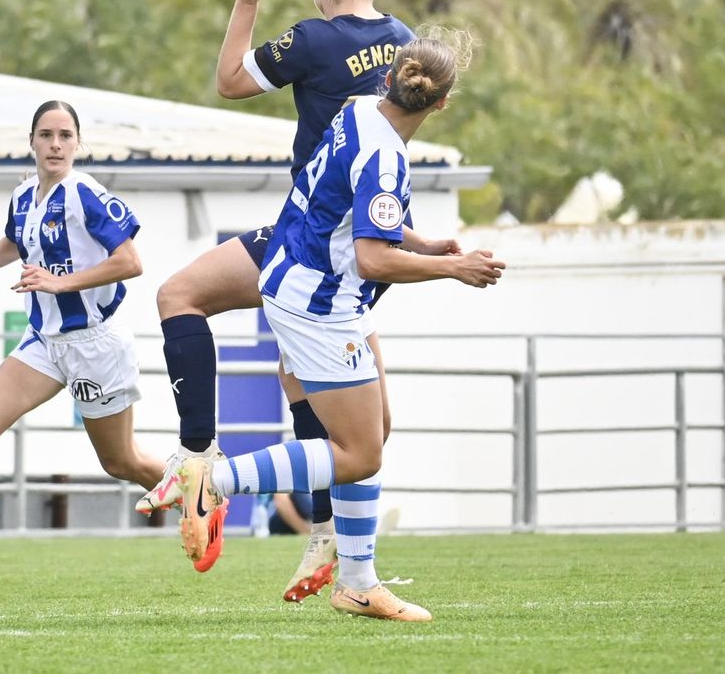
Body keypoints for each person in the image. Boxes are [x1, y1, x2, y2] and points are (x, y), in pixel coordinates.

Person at [154, 33, 505, 622]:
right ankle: (216, 481)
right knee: (359, 452)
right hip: (320, 302)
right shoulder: (387, 153)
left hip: (298, 277)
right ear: (441, 103)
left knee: (373, 433)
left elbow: (337, 206)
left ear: (389, 77)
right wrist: (454, 267)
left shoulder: (358, 111)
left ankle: (357, 581)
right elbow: (372, 259)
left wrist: (421, 242)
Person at [143, 0, 428, 598]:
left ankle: (202, 458)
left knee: (179, 295)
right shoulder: (404, 40)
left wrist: (246, 1)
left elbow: (232, 81)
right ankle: (332, 539)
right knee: (343, 408)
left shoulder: (314, 37)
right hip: (378, 235)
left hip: (312, 237)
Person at [0, 100, 165, 587]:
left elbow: (131, 261)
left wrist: (60, 283)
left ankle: (204, 494)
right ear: (31, 141)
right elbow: (14, 243)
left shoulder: (87, 194)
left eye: (65, 135)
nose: (55, 144)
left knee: (120, 461)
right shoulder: (25, 194)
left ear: (77, 143)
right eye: (46, 135)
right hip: (45, 341)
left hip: (95, 342)